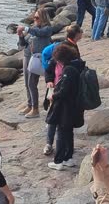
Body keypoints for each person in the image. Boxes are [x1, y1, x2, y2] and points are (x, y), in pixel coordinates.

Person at [42, 25, 82, 156]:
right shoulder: (61, 53)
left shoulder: (69, 65)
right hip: (55, 89)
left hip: (61, 94)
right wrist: (49, 81)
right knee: (53, 120)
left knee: (61, 123)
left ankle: (63, 152)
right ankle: (49, 143)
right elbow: (48, 70)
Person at [46, 44, 85, 171]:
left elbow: (64, 91)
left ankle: (58, 161)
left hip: (66, 108)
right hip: (74, 106)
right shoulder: (77, 66)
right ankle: (68, 158)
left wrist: (53, 96)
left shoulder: (68, 70)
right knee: (68, 133)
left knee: (62, 133)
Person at [16, 12, 54, 118]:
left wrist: (26, 28)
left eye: (37, 17)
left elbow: (40, 33)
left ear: (43, 18)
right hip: (28, 56)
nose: (35, 19)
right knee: (28, 83)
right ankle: (30, 105)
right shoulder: (33, 28)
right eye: (34, 17)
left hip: (38, 59)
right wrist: (21, 36)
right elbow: (23, 44)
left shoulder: (47, 29)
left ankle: (35, 109)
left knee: (32, 83)